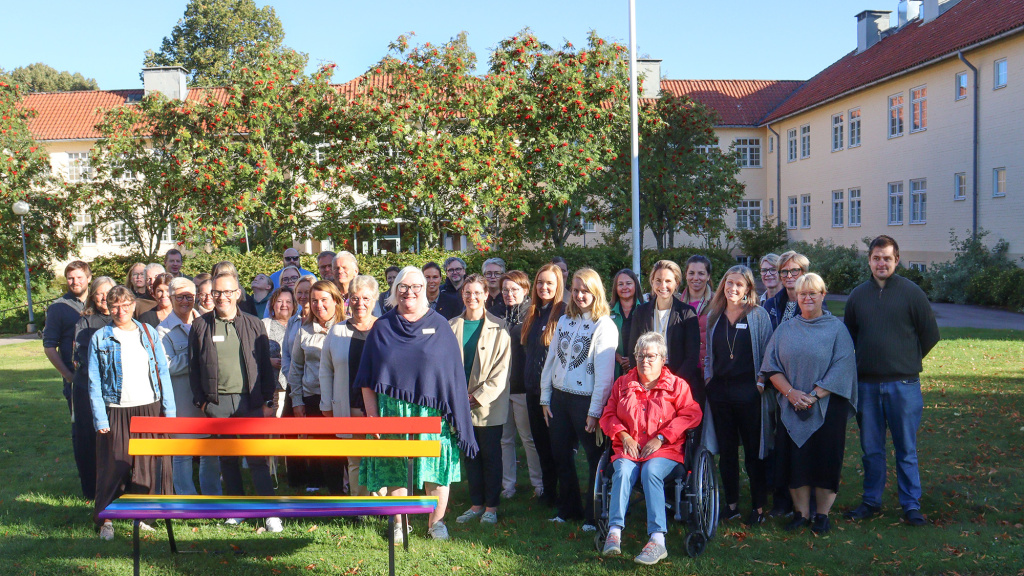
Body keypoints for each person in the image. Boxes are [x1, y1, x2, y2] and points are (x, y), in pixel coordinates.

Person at [356, 266, 478, 542]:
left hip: (431, 412)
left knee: (436, 468)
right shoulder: (382, 326)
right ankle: (400, 524)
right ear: (394, 290)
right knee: (396, 469)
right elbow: (367, 377)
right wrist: (372, 416)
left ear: (424, 290)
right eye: (403, 286)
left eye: (415, 287)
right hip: (392, 412)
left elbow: (453, 375)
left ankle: (437, 524)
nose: (409, 292)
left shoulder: (440, 326)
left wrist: (453, 413)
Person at [843, 235, 940, 527]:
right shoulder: (857, 296)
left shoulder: (912, 293)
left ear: (896, 260)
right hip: (867, 386)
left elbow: (930, 334)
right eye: (876, 258)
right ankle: (871, 501)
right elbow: (849, 338)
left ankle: (911, 505)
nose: (881, 263)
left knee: (905, 449)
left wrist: (905, 359)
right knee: (871, 449)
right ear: (869, 261)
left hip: (904, 385)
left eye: (887, 258)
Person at [761, 273, 858, 535]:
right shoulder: (785, 329)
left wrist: (813, 396)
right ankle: (801, 514)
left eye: (813, 293)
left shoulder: (837, 329)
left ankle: (822, 515)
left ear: (823, 295)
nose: (807, 298)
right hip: (791, 406)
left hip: (827, 407)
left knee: (826, 459)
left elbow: (843, 367)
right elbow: (771, 366)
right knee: (796, 461)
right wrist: (791, 394)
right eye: (802, 293)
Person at [188, 272, 282, 532]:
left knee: (257, 459)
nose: (222, 297)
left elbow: (265, 367)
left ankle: (270, 513)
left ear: (238, 294)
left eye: (228, 292)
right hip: (217, 403)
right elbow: (193, 368)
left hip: (250, 402)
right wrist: (203, 404)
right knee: (227, 460)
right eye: (217, 292)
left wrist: (268, 401)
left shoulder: (253, 323)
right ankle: (237, 510)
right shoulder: (201, 325)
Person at [599, 332, 702, 565]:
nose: (644, 360)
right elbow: (608, 415)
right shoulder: (622, 384)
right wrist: (624, 435)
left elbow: (691, 414)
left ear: (663, 359)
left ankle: (657, 540)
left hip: (665, 451)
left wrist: (662, 437)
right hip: (630, 448)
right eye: (640, 356)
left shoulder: (677, 386)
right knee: (622, 470)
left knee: (651, 471)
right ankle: (614, 532)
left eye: (650, 356)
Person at [88, 286, 175, 540]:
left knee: (145, 465)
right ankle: (106, 519)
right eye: (115, 306)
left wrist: (169, 410)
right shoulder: (100, 337)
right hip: (116, 409)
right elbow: (94, 380)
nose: (120, 311)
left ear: (133, 305)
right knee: (114, 465)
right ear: (108, 308)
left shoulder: (148, 333)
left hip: (149, 407)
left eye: (125, 305)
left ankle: (143, 516)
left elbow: (162, 371)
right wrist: (100, 417)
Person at [540, 267, 618, 529]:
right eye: (575, 290)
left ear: (596, 292)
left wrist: (595, 411)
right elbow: (551, 361)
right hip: (559, 399)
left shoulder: (604, 325)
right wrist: (545, 398)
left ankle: (594, 516)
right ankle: (567, 509)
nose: (579, 295)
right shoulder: (564, 320)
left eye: (585, 290)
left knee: (595, 459)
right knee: (561, 456)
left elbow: (605, 375)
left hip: (586, 401)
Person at [702, 265, 774, 525]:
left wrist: (761, 381)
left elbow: (769, 353)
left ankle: (758, 508)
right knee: (727, 452)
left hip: (749, 393)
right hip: (720, 393)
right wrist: (709, 380)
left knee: (754, 452)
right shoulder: (714, 316)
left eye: (739, 284)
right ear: (723, 285)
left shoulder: (758, 316)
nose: (733, 288)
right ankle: (731, 505)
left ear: (748, 289)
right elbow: (709, 355)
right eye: (729, 283)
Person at [451, 274, 512, 525]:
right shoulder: (451, 326)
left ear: (486, 294)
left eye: (477, 292)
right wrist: (456, 398)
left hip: (488, 405)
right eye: (468, 292)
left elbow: (501, 371)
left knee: (490, 456)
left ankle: (491, 508)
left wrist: (477, 397)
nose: (472, 297)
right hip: (459, 403)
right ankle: (476, 504)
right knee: (470, 455)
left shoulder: (499, 327)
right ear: (462, 294)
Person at [158, 277, 221, 497]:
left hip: (206, 399)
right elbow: (165, 366)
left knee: (210, 452)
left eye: (189, 296)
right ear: (170, 297)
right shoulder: (162, 331)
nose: (185, 301)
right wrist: (197, 357)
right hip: (181, 400)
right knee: (182, 454)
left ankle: (213, 496)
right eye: (180, 297)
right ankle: (186, 499)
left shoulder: (206, 322)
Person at [320, 275, 380, 497]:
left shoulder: (385, 328)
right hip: (350, 407)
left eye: (366, 298)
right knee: (355, 461)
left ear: (374, 300)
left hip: (381, 409)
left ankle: (382, 504)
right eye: (355, 298)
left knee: (381, 458)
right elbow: (326, 370)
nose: (360, 303)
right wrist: (327, 404)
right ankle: (360, 505)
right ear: (348, 300)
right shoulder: (337, 331)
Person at [511, 263, 565, 506]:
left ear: (558, 285)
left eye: (549, 283)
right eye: (540, 282)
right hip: (532, 390)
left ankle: (564, 496)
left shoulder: (564, 314)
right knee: (541, 445)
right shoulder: (533, 313)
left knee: (557, 447)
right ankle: (548, 494)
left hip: (553, 393)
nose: (544, 287)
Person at [288, 280, 347, 494]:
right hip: (314, 398)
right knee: (327, 451)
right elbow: (296, 368)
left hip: (342, 399)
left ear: (336, 301)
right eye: (314, 300)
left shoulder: (347, 328)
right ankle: (336, 496)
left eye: (324, 300)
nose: (318, 305)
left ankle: (354, 494)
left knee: (347, 450)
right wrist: (297, 401)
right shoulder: (304, 331)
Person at [627, 260, 703, 406]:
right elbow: (633, 351)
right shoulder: (641, 312)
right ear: (652, 282)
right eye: (658, 280)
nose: (663, 286)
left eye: (668, 281)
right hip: (646, 382)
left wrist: (672, 384)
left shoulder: (687, 313)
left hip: (678, 384)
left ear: (676, 283)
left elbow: (692, 357)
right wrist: (644, 380)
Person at [497, 270, 542, 499]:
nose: (509, 294)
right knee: (505, 439)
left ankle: (538, 483)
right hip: (501, 388)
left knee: (528, 438)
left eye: (514, 289)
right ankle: (508, 485)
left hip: (524, 388)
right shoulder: (497, 315)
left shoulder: (533, 315)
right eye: (505, 290)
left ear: (525, 290)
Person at [70, 275, 115, 500]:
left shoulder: (123, 319)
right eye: (100, 293)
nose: (104, 297)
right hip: (88, 389)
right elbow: (84, 356)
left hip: (117, 391)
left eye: (109, 293)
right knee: (89, 439)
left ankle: (117, 486)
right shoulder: (85, 321)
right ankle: (92, 489)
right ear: (93, 295)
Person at [44, 260, 92, 415]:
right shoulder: (57, 308)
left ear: (89, 278)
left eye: (79, 277)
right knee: (80, 425)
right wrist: (68, 376)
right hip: (76, 378)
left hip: (101, 376)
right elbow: (49, 347)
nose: (75, 282)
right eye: (70, 278)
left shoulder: (99, 302)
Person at [282, 274, 316, 488]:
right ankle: (296, 478)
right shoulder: (292, 321)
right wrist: (291, 377)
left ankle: (316, 478)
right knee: (291, 430)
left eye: (307, 292)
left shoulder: (320, 319)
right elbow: (286, 354)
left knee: (314, 433)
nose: (303, 296)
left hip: (314, 386)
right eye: (299, 292)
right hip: (293, 385)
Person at [263, 287, 296, 413]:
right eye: (279, 301)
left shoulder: (299, 325)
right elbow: (252, 353)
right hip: (271, 389)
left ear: (294, 305)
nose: (284, 305)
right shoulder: (263, 325)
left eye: (288, 302)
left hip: (294, 388)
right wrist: (269, 361)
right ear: (272, 304)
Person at [763, 251, 811, 329]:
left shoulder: (812, 302)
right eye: (784, 271)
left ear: (803, 272)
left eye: (794, 270)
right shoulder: (771, 304)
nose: (789, 276)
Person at [682, 255, 713, 372]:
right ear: (686, 275)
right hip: (684, 370)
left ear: (708, 276)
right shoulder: (676, 303)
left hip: (709, 370)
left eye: (701, 273)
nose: (696, 278)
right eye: (691, 273)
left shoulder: (718, 303)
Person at [609, 269, 642, 378]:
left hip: (640, 368)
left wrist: (633, 359)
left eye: (628, 283)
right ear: (615, 288)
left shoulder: (646, 309)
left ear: (635, 285)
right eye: (620, 284)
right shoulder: (606, 312)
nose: (624, 287)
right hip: (613, 369)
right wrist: (617, 357)